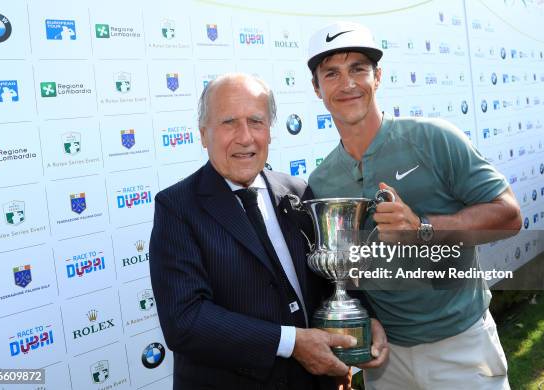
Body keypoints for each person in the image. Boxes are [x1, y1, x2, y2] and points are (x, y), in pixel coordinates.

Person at [306, 22, 522, 390]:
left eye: (358, 68)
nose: (348, 83)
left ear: (378, 77)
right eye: (332, 73)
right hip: (385, 356)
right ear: (317, 88)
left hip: (460, 343)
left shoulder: (434, 138)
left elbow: (510, 217)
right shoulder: (322, 181)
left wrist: (422, 228)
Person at [149, 73, 387, 390]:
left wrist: (364, 320)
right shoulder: (177, 208)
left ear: (270, 132)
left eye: (256, 122)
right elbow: (186, 321)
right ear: (204, 134)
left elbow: (333, 278)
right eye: (229, 122)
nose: (245, 137)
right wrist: (291, 342)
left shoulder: (299, 193)